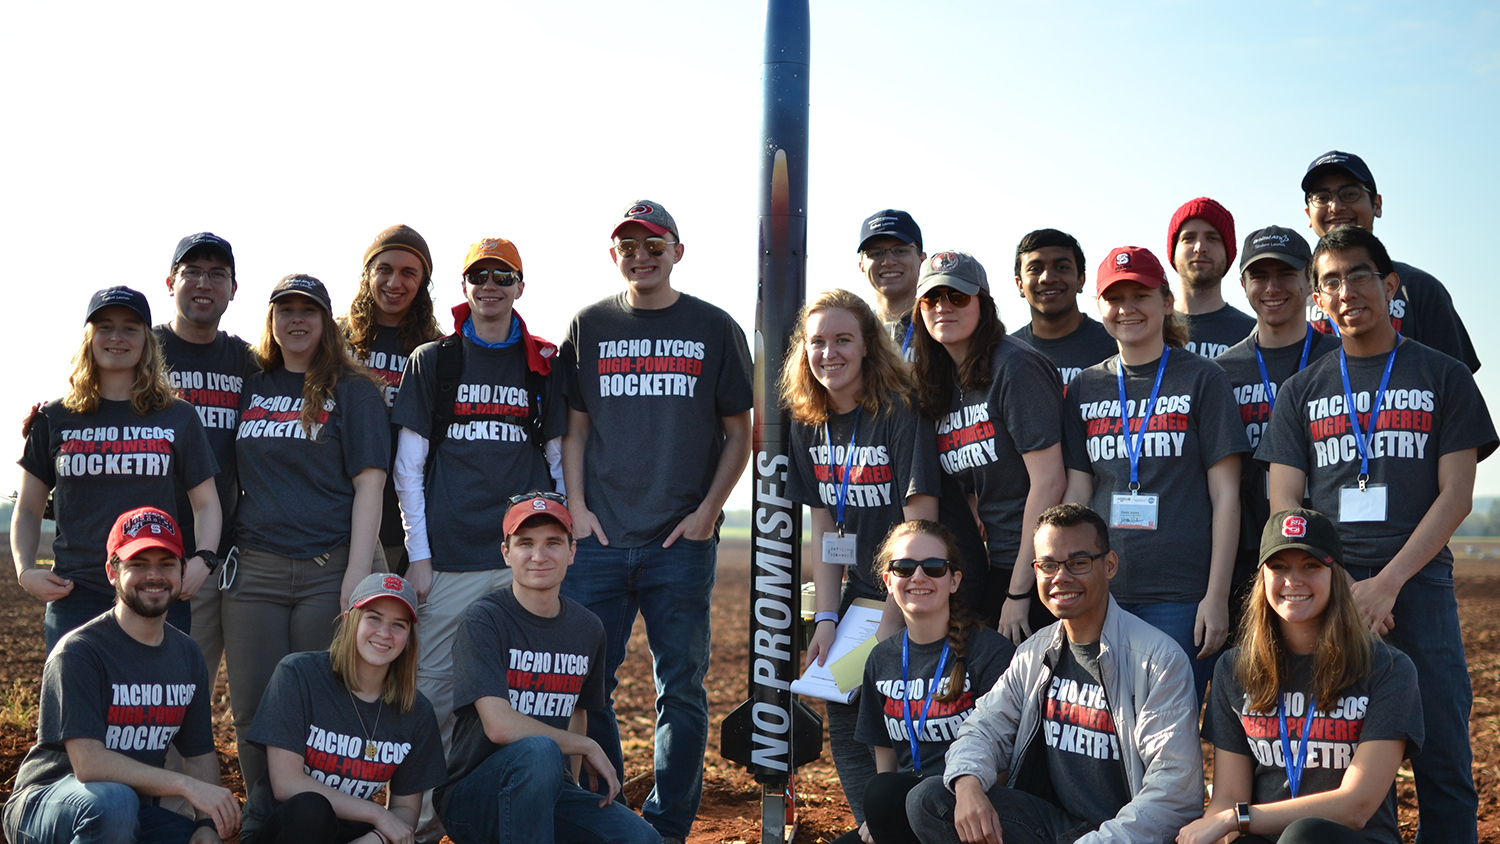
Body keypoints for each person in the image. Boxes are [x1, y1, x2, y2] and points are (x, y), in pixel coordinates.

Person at [1258, 224, 1497, 844]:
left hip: (1417, 588)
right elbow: (1284, 501)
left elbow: (1457, 495)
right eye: (1329, 281)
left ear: (1390, 286)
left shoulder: (1444, 376)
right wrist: (1339, 584)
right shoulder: (1301, 390)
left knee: (1444, 758)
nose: (1345, 291)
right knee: (1337, 761)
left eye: (1358, 275)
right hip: (1326, 593)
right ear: (1318, 298)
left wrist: (1387, 585)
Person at [558, 200, 753, 842]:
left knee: (682, 689)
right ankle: (614, 816)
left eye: (654, 244)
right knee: (591, 684)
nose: (641, 256)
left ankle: (666, 827)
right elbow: (576, 430)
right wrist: (579, 511)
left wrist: (706, 514)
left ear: (677, 250)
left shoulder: (714, 328)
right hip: (602, 540)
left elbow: (738, 432)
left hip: (680, 542)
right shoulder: (589, 326)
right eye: (629, 246)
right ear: (614, 254)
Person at [390, 236, 566, 842]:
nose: (490, 286)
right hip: (453, 560)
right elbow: (407, 467)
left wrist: (561, 544)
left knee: (533, 689)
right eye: (478, 276)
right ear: (464, 288)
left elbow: (557, 459)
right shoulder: (434, 362)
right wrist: (420, 556)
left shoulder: (543, 363)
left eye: (503, 275)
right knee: (437, 693)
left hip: (526, 557)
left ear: (520, 286)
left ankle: (523, 811)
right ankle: (424, 823)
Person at [906, 503, 1202, 844]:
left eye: (1077, 563)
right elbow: (983, 728)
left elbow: (1174, 792)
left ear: (1109, 565)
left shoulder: (1157, 660)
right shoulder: (1034, 651)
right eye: (1048, 565)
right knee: (932, 800)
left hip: (1122, 833)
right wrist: (968, 783)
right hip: (1053, 826)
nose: (1061, 577)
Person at [225, 274, 392, 794]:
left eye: (309, 310)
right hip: (254, 571)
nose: (296, 319)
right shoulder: (252, 384)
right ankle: (261, 816)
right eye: (285, 309)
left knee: (323, 706)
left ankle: (319, 819)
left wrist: (358, 575)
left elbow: (371, 486)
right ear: (271, 321)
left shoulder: (353, 390)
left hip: (329, 570)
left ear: (327, 322)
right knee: (254, 706)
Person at [782, 287, 941, 826]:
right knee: (847, 716)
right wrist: (827, 618)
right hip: (862, 597)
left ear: (869, 345)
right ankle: (875, 827)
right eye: (817, 341)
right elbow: (825, 522)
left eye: (843, 339)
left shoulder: (898, 411)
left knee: (912, 719)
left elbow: (918, 520)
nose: (829, 353)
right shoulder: (809, 421)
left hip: (919, 586)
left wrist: (893, 621)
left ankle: (921, 824)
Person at [1062, 246, 1247, 701]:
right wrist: (1067, 577)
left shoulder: (1203, 378)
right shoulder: (1086, 386)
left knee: (1171, 730)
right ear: (1100, 307)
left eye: (1141, 295)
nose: (1127, 308)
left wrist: (1216, 596)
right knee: (1108, 729)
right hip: (1104, 592)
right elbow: (1079, 490)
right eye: (1114, 297)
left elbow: (1226, 495)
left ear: (1166, 302)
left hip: (1181, 597)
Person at [1179, 508, 1423, 844]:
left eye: (1310, 566)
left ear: (1334, 575)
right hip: (1264, 836)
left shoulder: (1387, 668)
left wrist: (1237, 818)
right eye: (1279, 567)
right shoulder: (1234, 669)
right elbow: (1228, 797)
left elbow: (1356, 806)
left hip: (1346, 838)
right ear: (1262, 576)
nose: (1293, 580)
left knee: (1304, 835)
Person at [2, 507, 240, 844]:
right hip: (49, 802)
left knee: (184, 837)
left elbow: (199, 754)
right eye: (138, 565)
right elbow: (88, 764)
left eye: (166, 564)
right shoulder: (81, 651)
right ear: (112, 572)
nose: (154, 576)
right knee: (114, 802)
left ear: (183, 570)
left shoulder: (187, 654)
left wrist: (205, 825)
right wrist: (185, 785)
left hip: (127, 811)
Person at [435, 493, 661, 844]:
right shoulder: (484, 619)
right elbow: (498, 725)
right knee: (540, 750)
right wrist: (585, 745)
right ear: (506, 553)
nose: (539, 556)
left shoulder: (587, 628)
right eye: (525, 543)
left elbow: (577, 711)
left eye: (553, 543)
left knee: (640, 839)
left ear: (572, 552)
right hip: (474, 800)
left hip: (548, 790)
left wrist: (569, 782)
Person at [13, 286, 220, 652]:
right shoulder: (54, 418)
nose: (116, 337)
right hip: (75, 594)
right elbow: (28, 507)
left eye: (130, 328)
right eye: (105, 326)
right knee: (76, 705)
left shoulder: (179, 416)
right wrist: (25, 570)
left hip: (155, 590)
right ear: (89, 338)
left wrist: (203, 560)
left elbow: (206, 503)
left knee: (156, 706)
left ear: (147, 340)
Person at [910, 251, 1068, 641]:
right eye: (932, 299)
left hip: (1042, 565)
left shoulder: (1014, 367)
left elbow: (1049, 482)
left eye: (958, 297)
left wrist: (1018, 590)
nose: (943, 307)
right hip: (996, 559)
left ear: (983, 303)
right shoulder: (942, 379)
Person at [837, 520, 1015, 844]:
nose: (918, 577)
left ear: (954, 581)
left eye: (933, 567)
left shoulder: (991, 653)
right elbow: (887, 762)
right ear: (889, 582)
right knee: (880, 795)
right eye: (904, 567)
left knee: (886, 794)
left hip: (970, 809)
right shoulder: (880, 659)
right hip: (901, 808)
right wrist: (882, 819)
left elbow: (1006, 761)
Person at [239, 573, 446, 844]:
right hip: (286, 830)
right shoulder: (299, 675)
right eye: (374, 617)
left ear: (409, 637)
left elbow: (405, 809)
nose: (385, 633)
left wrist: (375, 839)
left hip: (353, 836)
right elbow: (286, 783)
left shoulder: (416, 711)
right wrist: (376, 813)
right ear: (350, 620)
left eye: (399, 625)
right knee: (312, 809)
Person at [1215, 227, 1339, 626]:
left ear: (1309, 280)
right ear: (1243, 284)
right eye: (1259, 276)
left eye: (1285, 274)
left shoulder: (1340, 361)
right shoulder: (1220, 373)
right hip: (1247, 554)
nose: (1272, 287)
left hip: (1327, 551)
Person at [153, 231, 260, 682]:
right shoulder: (143, 349)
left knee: (189, 686)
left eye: (218, 274)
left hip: (216, 551)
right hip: (147, 545)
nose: (204, 283)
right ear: (170, 282)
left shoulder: (247, 361)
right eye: (192, 271)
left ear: (233, 290)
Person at [1299, 150, 1479, 372]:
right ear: (1308, 214)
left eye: (1350, 193)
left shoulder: (1419, 289)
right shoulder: (1293, 300)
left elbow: (1455, 384)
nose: (1335, 207)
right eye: (1321, 197)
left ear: (1377, 204)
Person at [343, 224, 444, 575]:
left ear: (423, 282)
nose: (394, 282)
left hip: (405, 524)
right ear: (367, 274)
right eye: (383, 269)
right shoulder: (335, 339)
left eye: (408, 272)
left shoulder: (438, 351)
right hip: (337, 518)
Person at [1009, 229, 1117, 386]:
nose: (1048, 278)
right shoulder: (1006, 355)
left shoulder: (1115, 346)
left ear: (1081, 280)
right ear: (1020, 285)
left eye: (1061, 267)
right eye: (1035, 269)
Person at [1166, 197, 1255, 358]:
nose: (1200, 247)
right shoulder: (1151, 328)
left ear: (1228, 254)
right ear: (1173, 252)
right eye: (1188, 238)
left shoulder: (1253, 334)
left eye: (1212, 238)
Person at [856, 209, 927, 359]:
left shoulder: (940, 325)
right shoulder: (855, 331)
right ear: (862, 265)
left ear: (922, 260)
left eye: (900, 251)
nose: (888, 262)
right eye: (876, 253)